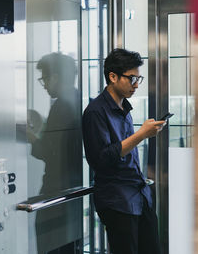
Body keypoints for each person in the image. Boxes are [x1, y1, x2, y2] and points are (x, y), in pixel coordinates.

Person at [82, 48, 165, 254]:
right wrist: (141, 134)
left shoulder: (124, 108)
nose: (136, 85)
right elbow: (101, 159)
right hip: (117, 201)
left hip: (138, 195)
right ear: (112, 76)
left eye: (139, 78)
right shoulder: (95, 112)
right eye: (131, 79)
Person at [28, 52, 82, 253]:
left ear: (56, 78)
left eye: (44, 80)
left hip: (55, 191)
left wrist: (30, 135)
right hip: (73, 188)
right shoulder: (78, 98)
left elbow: (47, 151)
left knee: (50, 246)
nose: (45, 86)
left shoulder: (60, 105)